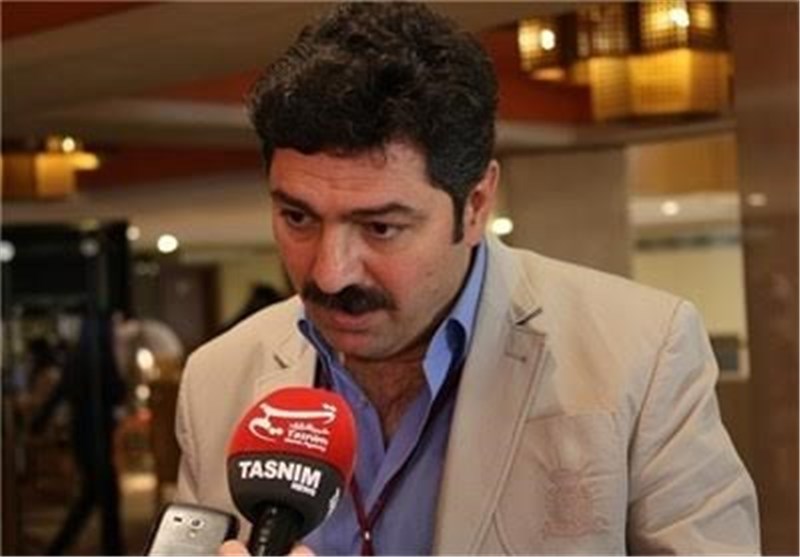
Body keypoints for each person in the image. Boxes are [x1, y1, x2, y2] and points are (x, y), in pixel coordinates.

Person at [174, 3, 759, 555]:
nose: (330, 271)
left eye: (381, 227)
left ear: (475, 205)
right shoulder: (216, 378)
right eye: (297, 218)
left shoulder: (642, 352)